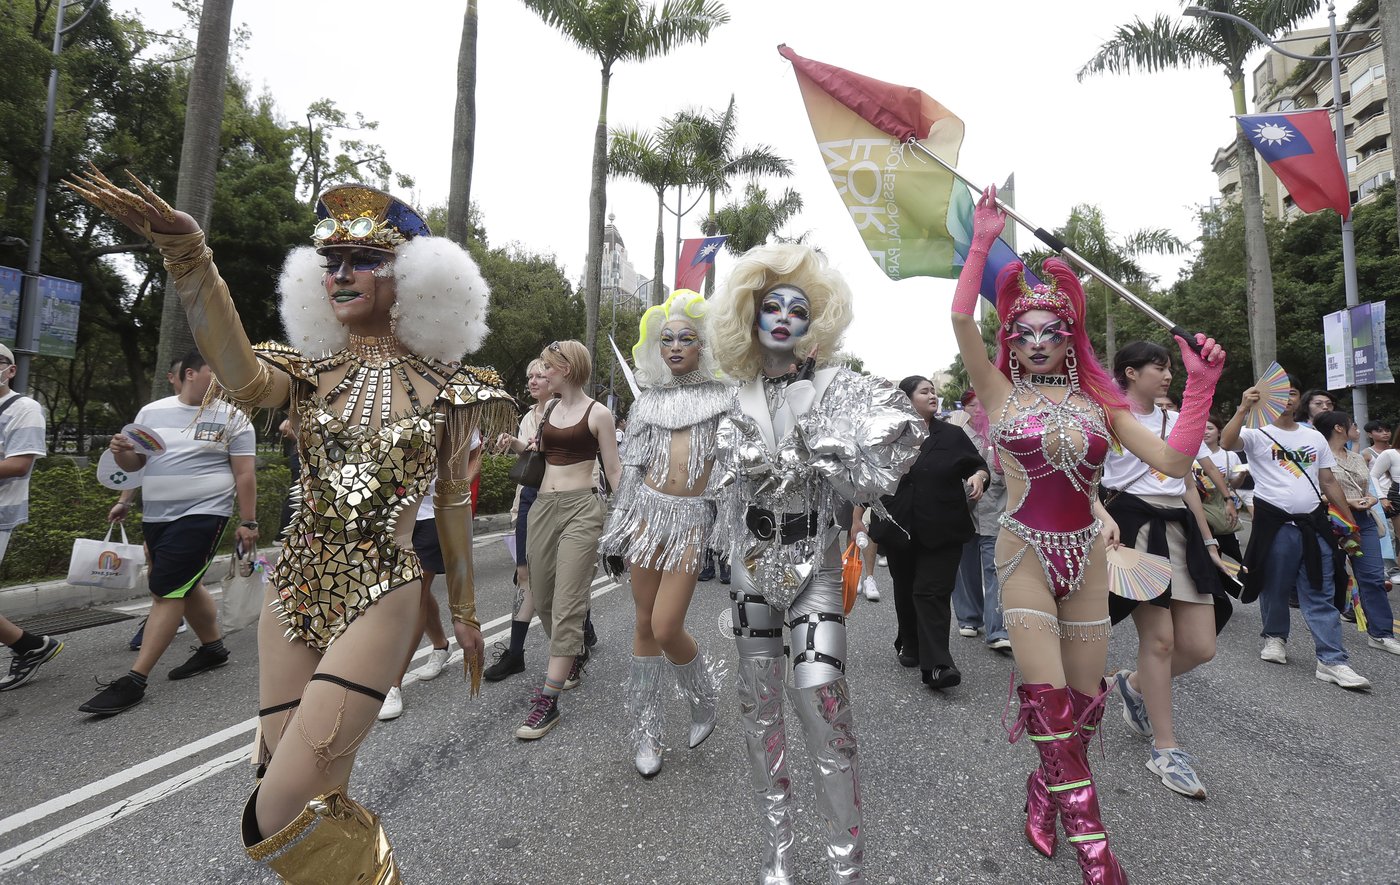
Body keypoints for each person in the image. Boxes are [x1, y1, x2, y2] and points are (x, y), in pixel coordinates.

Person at [68, 170, 513, 880]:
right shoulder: (307, 372)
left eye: (364, 260)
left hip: (381, 590)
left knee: (276, 810)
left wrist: (462, 609)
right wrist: (191, 259)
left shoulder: (453, 390)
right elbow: (239, 373)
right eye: (330, 260)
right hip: (293, 589)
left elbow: (453, 501)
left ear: (418, 281)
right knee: (305, 792)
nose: (341, 273)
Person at [954, 186, 1225, 885]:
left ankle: (1044, 791)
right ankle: (1097, 853)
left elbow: (1170, 461)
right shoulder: (999, 394)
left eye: (1051, 331)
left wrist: (1198, 389)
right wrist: (983, 239)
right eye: (1024, 332)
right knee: (1045, 701)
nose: (1036, 342)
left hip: (1088, 562)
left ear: (1068, 336)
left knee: (1079, 707)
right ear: (1010, 338)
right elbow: (961, 319)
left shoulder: (1102, 404)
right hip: (1023, 556)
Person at [709, 243, 926, 884]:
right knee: (758, 709)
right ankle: (779, 845)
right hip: (752, 568)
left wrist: (832, 453)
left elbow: (902, 438)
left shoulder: (842, 389)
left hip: (816, 568)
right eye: (769, 306)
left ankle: (845, 863)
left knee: (823, 705)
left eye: (797, 308)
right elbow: (714, 482)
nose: (782, 316)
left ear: (816, 323)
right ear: (748, 319)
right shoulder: (732, 397)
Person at [81, 349, 257, 716]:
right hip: (157, 515)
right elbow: (136, 464)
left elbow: (244, 473)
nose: (224, 378)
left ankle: (135, 680)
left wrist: (248, 521)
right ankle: (212, 649)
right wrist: (121, 455)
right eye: (216, 370)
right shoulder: (152, 412)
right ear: (191, 374)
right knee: (183, 583)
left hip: (205, 513)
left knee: (167, 589)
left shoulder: (235, 419)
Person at [599, 290, 730, 777]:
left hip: (691, 520)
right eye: (668, 339)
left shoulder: (723, 398)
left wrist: (728, 533)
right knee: (641, 623)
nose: (675, 346)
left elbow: (731, 468)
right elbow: (632, 470)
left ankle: (703, 696)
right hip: (646, 516)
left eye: (686, 339)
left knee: (666, 626)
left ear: (702, 346)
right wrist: (617, 530)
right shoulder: (649, 402)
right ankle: (647, 733)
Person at [1101, 341, 1231, 802]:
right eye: (1159, 366)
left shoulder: (1177, 421)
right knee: (1159, 641)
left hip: (1181, 529)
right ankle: (1166, 748)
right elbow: (1082, 476)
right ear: (1130, 373)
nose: (1168, 374)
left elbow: (1187, 485)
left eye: (1170, 367)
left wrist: (1210, 541)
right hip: (1133, 527)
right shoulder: (1108, 416)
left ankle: (1132, 686)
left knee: (1201, 646)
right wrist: (1101, 518)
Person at [496, 339, 621, 740]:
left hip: (582, 509)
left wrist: (630, 520)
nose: (542, 373)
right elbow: (540, 454)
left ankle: (548, 702)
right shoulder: (548, 409)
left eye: (548, 367)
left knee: (568, 602)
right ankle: (573, 649)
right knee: (543, 595)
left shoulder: (599, 414)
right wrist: (514, 446)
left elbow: (614, 471)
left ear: (566, 369)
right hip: (543, 509)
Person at [1220, 378, 1373, 690]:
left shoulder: (1313, 436)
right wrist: (1242, 409)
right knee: (1275, 585)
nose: (1286, 399)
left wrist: (1346, 520)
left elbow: (1327, 480)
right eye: (1279, 394)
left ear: (1299, 399)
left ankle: (1332, 660)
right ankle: (1274, 637)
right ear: (1264, 398)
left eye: (1291, 393)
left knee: (1321, 588)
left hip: (1314, 525)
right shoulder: (1255, 434)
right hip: (1275, 526)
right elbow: (1226, 442)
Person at [878, 375, 987, 690]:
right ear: (906, 399)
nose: (932, 395)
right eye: (924, 391)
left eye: (933, 390)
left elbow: (978, 466)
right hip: (900, 526)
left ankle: (938, 665)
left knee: (931, 592)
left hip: (943, 526)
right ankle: (908, 641)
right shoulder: (888, 436)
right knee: (906, 590)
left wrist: (979, 477)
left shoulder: (952, 435)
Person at [485, 359, 551, 682]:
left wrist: (519, 444)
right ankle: (515, 653)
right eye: (530, 376)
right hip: (529, 499)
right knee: (524, 573)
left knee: (557, 577)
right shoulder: (528, 417)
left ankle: (581, 635)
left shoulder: (569, 411)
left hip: (557, 499)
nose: (533, 381)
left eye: (540, 375)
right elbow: (529, 457)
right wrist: (513, 442)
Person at [0, 344, 60, 692]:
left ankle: (30, 646)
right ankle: (31, 645)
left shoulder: (24, 408)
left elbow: (19, 464)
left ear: (10, 370)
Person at [1315, 412, 1400, 655]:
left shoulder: (1356, 456)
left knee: (1373, 579)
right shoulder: (1318, 457)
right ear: (1339, 428)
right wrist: (1348, 502)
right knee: (1331, 579)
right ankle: (1326, 634)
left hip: (1364, 520)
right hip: (1332, 520)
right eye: (1353, 425)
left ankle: (1381, 634)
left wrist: (1372, 498)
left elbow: (1367, 486)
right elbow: (1315, 492)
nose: (1358, 429)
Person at [950, 388, 1011, 651]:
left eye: (983, 404)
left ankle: (997, 629)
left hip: (996, 513)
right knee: (965, 569)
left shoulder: (1003, 433)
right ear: (965, 409)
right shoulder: (957, 435)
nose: (979, 410)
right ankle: (969, 617)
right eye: (973, 406)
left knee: (995, 570)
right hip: (963, 513)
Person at [1201, 415, 1247, 562]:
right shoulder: (1190, 454)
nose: (1205, 432)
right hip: (1198, 505)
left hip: (1221, 509)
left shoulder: (1230, 456)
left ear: (1219, 432)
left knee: (1230, 553)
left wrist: (1241, 476)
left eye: (1210, 428)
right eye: (1202, 428)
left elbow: (1232, 486)